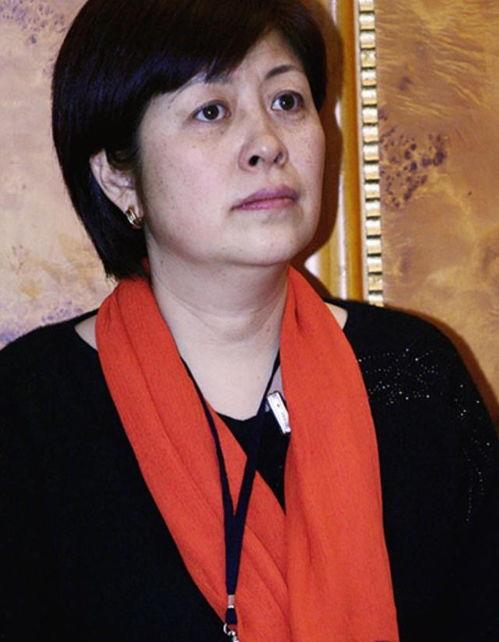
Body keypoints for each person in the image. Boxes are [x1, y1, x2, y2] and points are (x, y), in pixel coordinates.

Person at [1, 0, 497, 640]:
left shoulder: (416, 376)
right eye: (212, 111)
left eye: (287, 101)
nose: (267, 143)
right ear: (119, 176)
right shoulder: (29, 411)